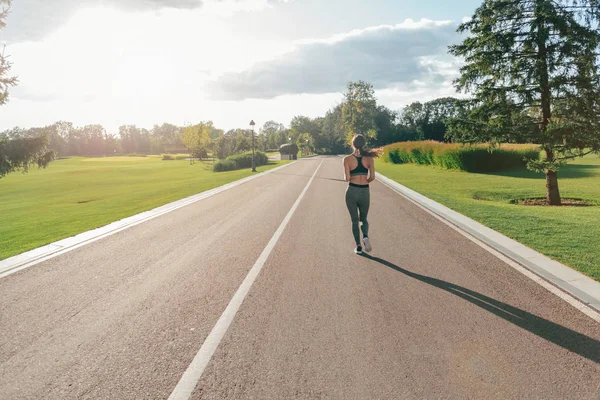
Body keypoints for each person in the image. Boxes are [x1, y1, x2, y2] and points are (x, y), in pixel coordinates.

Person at [343, 134, 379, 255]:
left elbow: (347, 178)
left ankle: (358, 247)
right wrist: (365, 182)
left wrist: (350, 177)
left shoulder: (347, 159)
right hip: (364, 191)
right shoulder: (369, 159)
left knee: (354, 220)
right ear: (363, 144)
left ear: (352, 144)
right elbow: (372, 177)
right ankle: (365, 236)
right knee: (364, 219)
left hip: (352, 190)